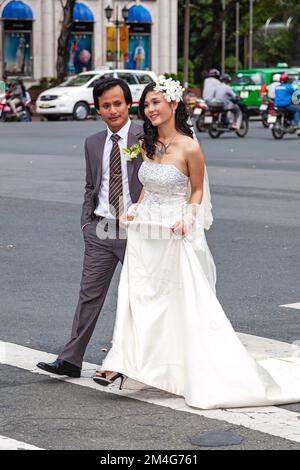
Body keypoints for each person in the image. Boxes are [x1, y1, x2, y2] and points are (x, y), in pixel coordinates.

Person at [93, 76, 300, 410]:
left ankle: (189, 367)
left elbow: (198, 190)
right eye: (146, 104)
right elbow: (147, 186)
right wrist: (133, 209)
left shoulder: (190, 147)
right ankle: (132, 363)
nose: (150, 109)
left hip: (176, 232)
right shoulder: (147, 145)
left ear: (173, 104)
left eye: (156, 102)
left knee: (182, 301)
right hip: (147, 234)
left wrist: (188, 219)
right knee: (140, 299)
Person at [36, 78, 143, 378]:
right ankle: (71, 359)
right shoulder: (93, 143)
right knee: (89, 296)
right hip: (101, 229)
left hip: (138, 231)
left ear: (128, 105)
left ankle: (136, 361)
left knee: (140, 297)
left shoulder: (145, 137)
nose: (113, 111)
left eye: (117, 104)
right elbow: (90, 186)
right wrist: (87, 223)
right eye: (106, 106)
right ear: (97, 109)